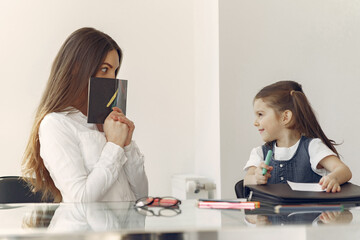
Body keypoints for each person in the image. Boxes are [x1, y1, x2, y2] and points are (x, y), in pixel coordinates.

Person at [22, 27, 148, 202]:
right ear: (76, 68)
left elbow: (142, 195)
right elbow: (80, 200)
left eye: (115, 71)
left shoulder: (107, 122)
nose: (113, 79)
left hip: (126, 228)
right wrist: (114, 146)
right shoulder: (55, 124)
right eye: (105, 69)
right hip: (85, 228)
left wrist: (127, 144)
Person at [243, 80, 352, 193]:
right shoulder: (259, 153)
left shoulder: (312, 147)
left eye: (260, 114)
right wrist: (255, 178)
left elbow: (344, 170)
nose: (255, 122)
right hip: (271, 211)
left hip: (312, 210)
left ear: (285, 117)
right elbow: (246, 180)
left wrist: (333, 178)